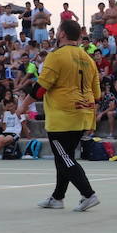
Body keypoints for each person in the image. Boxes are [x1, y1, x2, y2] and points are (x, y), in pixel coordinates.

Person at [31, 19, 101, 211]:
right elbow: (97, 94)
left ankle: (88, 194)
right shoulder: (89, 59)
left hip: (63, 116)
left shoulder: (56, 56)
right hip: (83, 113)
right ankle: (57, 197)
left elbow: (40, 89)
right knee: (64, 156)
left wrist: (22, 107)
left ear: (61, 34)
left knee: (64, 157)